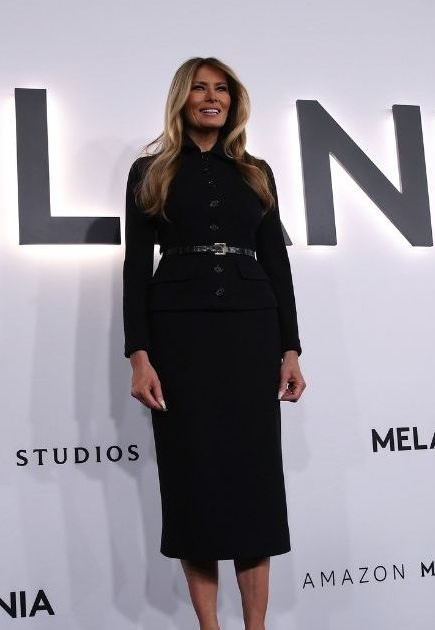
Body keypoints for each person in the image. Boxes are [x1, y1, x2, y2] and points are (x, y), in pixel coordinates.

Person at [122, 56, 306, 630]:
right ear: (182, 99)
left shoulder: (256, 172)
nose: (211, 97)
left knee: (254, 481)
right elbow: (135, 266)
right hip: (180, 336)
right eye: (200, 88)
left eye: (221, 89)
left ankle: (257, 627)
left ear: (233, 100)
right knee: (193, 478)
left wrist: (291, 349)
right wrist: (138, 355)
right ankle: (210, 626)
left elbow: (276, 263)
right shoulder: (149, 171)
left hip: (252, 330)